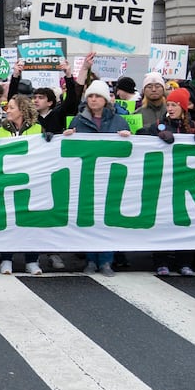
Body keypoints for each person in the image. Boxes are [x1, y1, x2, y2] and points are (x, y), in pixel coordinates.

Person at [138, 88, 195, 277]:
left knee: (186, 222)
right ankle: (161, 261)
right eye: (170, 105)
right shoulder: (159, 124)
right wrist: (155, 136)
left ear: (183, 107)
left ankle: (185, 262)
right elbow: (140, 137)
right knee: (164, 221)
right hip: (164, 182)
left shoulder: (193, 126)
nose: (171, 108)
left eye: (175, 105)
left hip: (186, 182)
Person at [70, 81, 127, 276]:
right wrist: (66, 137)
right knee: (88, 219)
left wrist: (129, 137)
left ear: (105, 100)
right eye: (91, 96)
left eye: (98, 96)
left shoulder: (119, 122)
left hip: (110, 179)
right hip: (86, 178)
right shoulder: (78, 121)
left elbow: (129, 150)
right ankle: (91, 260)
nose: (93, 99)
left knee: (107, 220)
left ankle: (106, 261)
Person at [0, 94, 45, 276]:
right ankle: (6, 258)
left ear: (22, 110)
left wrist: (49, 141)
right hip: (8, 182)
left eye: (12, 107)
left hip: (31, 182)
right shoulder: (0, 131)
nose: (8, 110)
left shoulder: (38, 129)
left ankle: (32, 260)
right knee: (9, 221)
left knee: (31, 220)